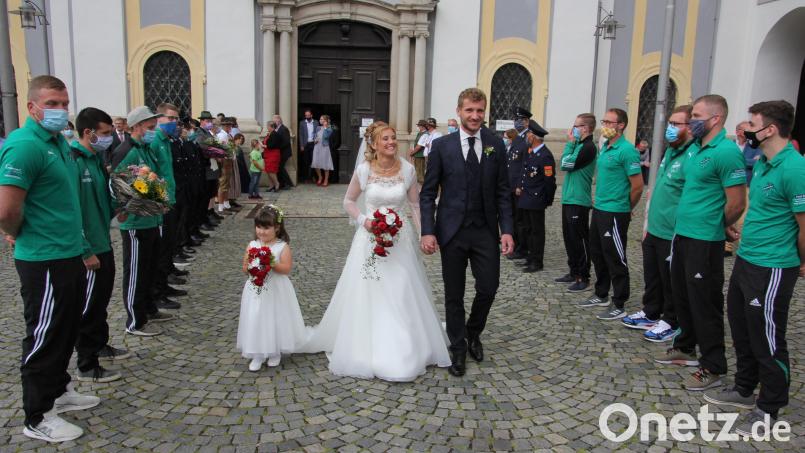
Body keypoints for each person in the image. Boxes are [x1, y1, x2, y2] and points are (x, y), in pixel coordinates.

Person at [299, 122, 451, 381]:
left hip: (400, 242)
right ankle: (367, 344)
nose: (392, 142)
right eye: (386, 139)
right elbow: (348, 201)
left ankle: (405, 346)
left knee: (402, 288)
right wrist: (365, 221)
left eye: (394, 138)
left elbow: (415, 205)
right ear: (374, 144)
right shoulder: (364, 170)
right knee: (369, 289)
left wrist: (426, 233)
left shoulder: (407, 169)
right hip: (369, 240)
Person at [0, 75, 100, 443]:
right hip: (42, 256)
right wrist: (18, 231)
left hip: (68, 251)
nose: (60, 110)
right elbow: (7, 208)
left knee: (65, 327)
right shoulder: (24, 145)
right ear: (32, 107)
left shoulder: (59, 142)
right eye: (52, 104)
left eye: (64, 103)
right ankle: (37, 414)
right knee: (44, 333)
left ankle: (59, 390)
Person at [703, 100, 805, 435]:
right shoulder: (763, 162)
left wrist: (803, 261)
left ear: (770, 129)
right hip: (747, 258)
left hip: (773, 266)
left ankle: (770, 406)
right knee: (742, 326)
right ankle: (744, 389)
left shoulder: (794, 168)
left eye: (752, 123)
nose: (746, 128)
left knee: (767, 335)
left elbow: (804, 224)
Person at [420, 87, 514, 377]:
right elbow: (427, 193)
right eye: (469, 110)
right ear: (459, 111)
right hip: (452, 231)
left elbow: (502, 192)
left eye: (480, 111)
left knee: (488, 287)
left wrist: (507, 230)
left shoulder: (495, 145)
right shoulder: (442, 146)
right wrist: (428, 230)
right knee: (454, 294)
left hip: (485, 230)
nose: (475, 116)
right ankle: (458, 347)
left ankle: (474, 332)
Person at [659, 94, 746, 392]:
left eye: (696, 115)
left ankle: (714, 365)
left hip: (704, 240)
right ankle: (685, 346)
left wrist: (718, 226)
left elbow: (736, 202)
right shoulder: (695, 148)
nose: (692, 120)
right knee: (681, 295)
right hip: (683, 234)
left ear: (715, 118)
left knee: (704, 302)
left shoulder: (726, 151)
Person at [622, 105, 693, 342]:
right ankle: (651, 311)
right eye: (670, 123)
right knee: (652, 275)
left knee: (670, 278)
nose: (670, 128)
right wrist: (646, 223)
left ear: (690, 127)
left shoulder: (691, 156)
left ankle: (671, 320)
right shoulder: (670, 152)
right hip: (655, 227)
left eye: (677, 124)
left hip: (673, 230)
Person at [71, 107, 130, 383]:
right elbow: (71, 211)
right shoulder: (73, 160)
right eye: (105, 133)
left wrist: (118, 208)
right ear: (88, 132)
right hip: (89, 247)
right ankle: (86, 363)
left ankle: (100, 344)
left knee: (101, 300)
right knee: (89, 305)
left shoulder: (95, 160)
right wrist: (85, 250)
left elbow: (101, 199)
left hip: (103, 240)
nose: (109, 138)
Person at [113, 106, 176, 337]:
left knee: (149, 268)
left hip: (152, 218)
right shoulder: (127, 150)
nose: (153, 129)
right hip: (136, 222)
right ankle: (135, 320)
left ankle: (149, 308)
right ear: (136, 126)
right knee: (136, 271)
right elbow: (119, 187)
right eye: (149, 126)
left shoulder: (145, 148)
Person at [577, 108, 643, 320]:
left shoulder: (627, 150)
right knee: (598, 253)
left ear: (621, 125)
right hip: (600, 209)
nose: (604, 124)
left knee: (615, 256)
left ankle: (619, 302)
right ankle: (601, 293)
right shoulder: (606, 147)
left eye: (609, 121)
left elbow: (637, 186)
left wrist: (626, 207)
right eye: (604, 120)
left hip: (615, 212)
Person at [237, 205, 306, 371]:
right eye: (259, 227)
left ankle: (275, 350)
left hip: (276, 288)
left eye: (266, 228)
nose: (261, 231)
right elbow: (244, 267)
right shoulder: (252, 244)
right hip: (256, 289)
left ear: (277, 227)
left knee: (275, 316)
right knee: (256, 316)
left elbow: (286, 268)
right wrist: (252, 268)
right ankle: (257, 352)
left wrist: (271, 263)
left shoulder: (282, 247)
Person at [555, 113, 597, 292]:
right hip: (569, 198)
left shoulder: (588, 147)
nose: (572, 129)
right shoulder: (579, 145)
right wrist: (573, 144)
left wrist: (570, 143)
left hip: (579, 200)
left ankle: (583, 276)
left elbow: (565, 164)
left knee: (579, 239)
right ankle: (573, 271)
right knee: (569, 237)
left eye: (576, 126)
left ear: (585, 128)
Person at [515, 121, 556, 273]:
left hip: (537, 199)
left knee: (537, 232)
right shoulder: (531, 152)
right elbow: (525, 172)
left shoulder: (545, 156)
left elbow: (549, 181)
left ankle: (537, 261)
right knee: (528, 229)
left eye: (529, 134)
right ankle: (530, 257)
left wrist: (548, 199)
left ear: (534, 137)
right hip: (527, 197)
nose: (527, 136)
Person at [507, 107, 531, 261]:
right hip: (511, 185)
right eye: (515, 120)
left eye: (520, 120)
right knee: (514, 218)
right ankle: (515, 244)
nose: (517, 122)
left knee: (521, 220)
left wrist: (520, 185)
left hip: (518, 187)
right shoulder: (517, 139)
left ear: (527, 122)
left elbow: (525, 165)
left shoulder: (527, 140)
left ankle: (523, 248)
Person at [311, 114, 334, 186]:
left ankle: (326, 180)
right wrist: (314, 140)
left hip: (324, 147)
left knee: (325, 164)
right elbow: (314, 135)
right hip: (317, 147)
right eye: (320, 119)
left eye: (322, 119)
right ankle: (320, 177)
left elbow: (327, 136)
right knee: (316, 163)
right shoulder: (318, 127)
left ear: (326, 121)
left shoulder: (329, 128)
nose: (320, 120)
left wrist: (325, 127)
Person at [272, 114, 294, 189]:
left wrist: (277, 147)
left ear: (279, 120)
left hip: (284, 152)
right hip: (280, 152)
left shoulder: (284, 129)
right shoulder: (277, 128)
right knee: (279, 168)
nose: (274, 122)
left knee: (280, 167)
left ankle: (288, 183)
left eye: (274, 120)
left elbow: (286, 141)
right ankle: (282, 183)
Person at [298, 109, 319, 183]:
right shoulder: (302, 123)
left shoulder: (316, 122)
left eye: (308, 115)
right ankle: (306, 178)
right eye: (306, 115)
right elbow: (300, 134)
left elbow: (318, 132)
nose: (307, 116)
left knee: (314, 161)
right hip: (306, 144)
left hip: (314, 144)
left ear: (311, 115)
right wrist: (301, 145)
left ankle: (313, 176)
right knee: (306, 162)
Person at [262, 121, 282, 192]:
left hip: (273, 154)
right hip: (268, 154)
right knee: (268, 170)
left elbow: (271, 145)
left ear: (272, 127)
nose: (267, 127)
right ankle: (271, 185)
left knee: (271, 170)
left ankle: (277, 183)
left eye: (268, 126)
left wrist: (263, 145)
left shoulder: (275, 134)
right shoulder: (269, 134)